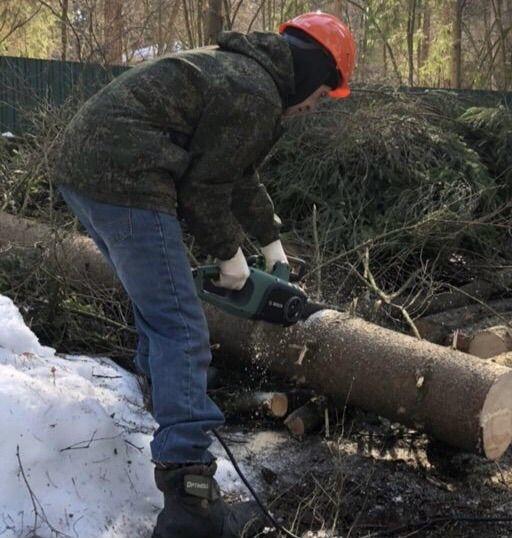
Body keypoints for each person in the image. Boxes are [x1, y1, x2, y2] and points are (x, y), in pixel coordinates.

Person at [52, 12, 355, 538]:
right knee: (182, 326)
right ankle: (191, 500)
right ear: (312, 70)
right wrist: (232, 259)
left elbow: (235, 173)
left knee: (157, 309)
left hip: (85, 171)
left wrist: (270, 242)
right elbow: (204, 190)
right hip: (128, 178)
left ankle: (160, 398)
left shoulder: (241, 72)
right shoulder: (255, 91)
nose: (313, 105)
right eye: (323, 92)